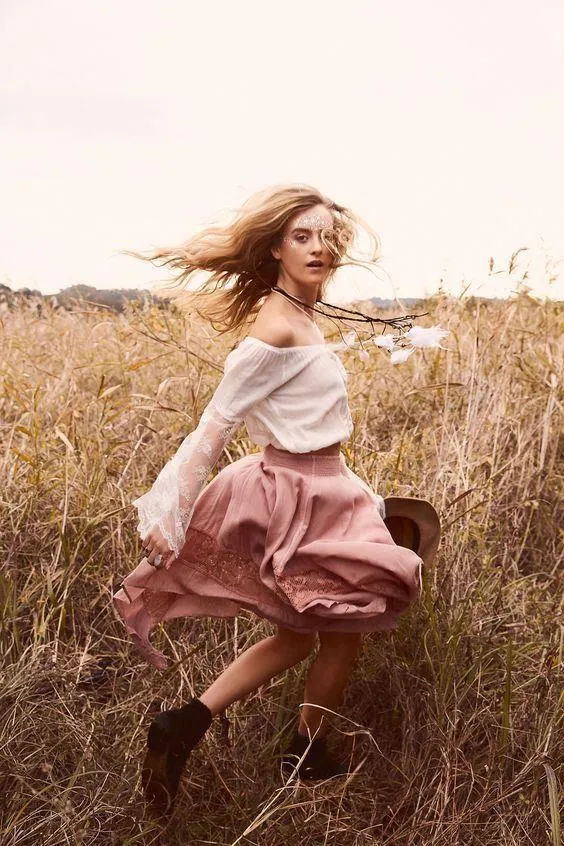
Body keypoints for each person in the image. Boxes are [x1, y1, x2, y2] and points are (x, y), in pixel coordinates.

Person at [113, 184, 437, 814]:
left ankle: (186, 729)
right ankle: (307, 753)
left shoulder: (304, 315)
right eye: (301, 237)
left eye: (326, 236)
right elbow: (214, 425)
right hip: (297, 494)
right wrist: (171, 513)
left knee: (301, 634)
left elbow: (314, 423)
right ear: (275, 249)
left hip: (328, 485)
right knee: (348, 623)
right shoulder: (276, 326)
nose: (319, 248)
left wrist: (359, 491)